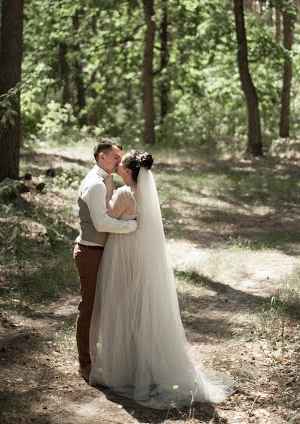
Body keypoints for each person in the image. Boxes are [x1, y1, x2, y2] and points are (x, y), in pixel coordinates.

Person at [89, 150, 232, 408]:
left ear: (130, 171)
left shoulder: (123, 193)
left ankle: (124, 369)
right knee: (140, 308)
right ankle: (145, 367)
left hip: (122, 252)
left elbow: (108, 216)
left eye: (121, 164)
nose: (117, 166)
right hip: (141, 254)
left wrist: (108, 188)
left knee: (121, 306)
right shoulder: (146, 194)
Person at [73, 139, 137, 381]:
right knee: (89, 306)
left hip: (101, 250)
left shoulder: (105, 180)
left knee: (104, 305)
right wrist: (131, 226)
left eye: (120, 158)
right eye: (115, 158)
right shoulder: (96, 184)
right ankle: (85, 361)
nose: (119, 162)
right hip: (90, 251)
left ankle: (102, 354)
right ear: (102, 156)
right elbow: (102, 223)